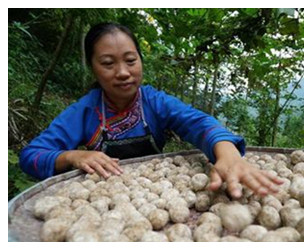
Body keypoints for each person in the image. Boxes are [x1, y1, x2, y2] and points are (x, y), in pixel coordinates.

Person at [20, 22, 282, 198]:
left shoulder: (155, 103)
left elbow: (198, 123)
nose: (123, 72)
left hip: (157, 190)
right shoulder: (85, 111)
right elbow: (31, 156)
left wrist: (228, 155)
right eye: (108, 63)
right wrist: (73, 157)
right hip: (110, 195)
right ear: (93, 68)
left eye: (131, 61)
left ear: (140, 61)